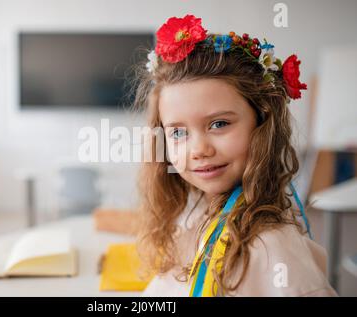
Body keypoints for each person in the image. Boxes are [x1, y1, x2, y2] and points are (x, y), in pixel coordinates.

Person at [132, 14, 337, 297]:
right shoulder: (203, 213)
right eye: (178, 132)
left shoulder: (273, 247)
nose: (199, 150)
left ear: (263, 122)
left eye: (219, 124)